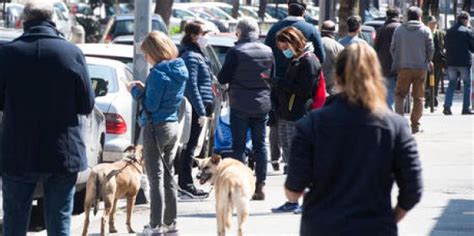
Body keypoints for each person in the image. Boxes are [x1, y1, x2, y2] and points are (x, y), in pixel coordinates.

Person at [285, 43, 423, 235]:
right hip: (374, 226)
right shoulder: (396, 126)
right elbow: (413, 189)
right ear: (376, 76)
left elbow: (293, 190)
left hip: (322, 226)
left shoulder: (312, 124)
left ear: (337, 77)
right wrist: (390, 219)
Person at [0, 0, 95, 235]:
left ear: (24, 21)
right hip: (63, 151)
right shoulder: (72, 53)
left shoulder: (7, 53)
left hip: (17, 151)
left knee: (14, 220)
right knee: (60, 219)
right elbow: (86, 105)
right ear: (53, 21)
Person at [127, 31, 188, 234]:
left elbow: (151, 105)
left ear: (154, 51)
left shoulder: (157, 73)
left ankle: (154, 225)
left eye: (146, 54)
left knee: (155, 178)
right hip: (172, 126)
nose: (146, 58)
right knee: (169, 176)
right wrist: (147, 88)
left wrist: (136, 91)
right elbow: (164, 96)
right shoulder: (179, 69)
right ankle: (170, 222)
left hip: (155, 127)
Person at [217, 18, 274, 201]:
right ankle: (260, 186)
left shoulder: (235, 51)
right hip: (262, 104)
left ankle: (241, 185)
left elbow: (223, 77)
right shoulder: (268, 50)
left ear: (239, 33)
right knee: (260, 146)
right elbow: (273, 75)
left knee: (239, 147)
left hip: (240, 103)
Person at [270, 26, 321, 213]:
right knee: (289, 159)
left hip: (298, 115)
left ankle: (307, 200)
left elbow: (304, 90)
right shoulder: (296, 60)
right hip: (286, 114)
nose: (284, 51)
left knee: (299, 160)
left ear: (293, 42)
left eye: (285, 47)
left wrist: (279, 83)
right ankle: (292, 200)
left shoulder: (308, 61)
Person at [178, 20, 214, 199]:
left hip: (200, 107)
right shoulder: (191, 56)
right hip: (195, 108)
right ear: (193, 36)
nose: (206, 37)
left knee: (192, 146)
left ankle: (186, 183)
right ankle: (185, 184)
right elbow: (191, 86)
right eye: (204, 33)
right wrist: (200, 111)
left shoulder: (197, 53)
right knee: (190, 147)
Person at [390, 6, 434, 134]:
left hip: (403, 67)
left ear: (408, 17)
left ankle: (400, 125)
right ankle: (415, 125)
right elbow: (431, 48)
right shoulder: (425, 30)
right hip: (420, 68)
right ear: (420, 17)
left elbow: (392, 48)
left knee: (399, 95)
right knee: (419, 97)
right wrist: (427, 61)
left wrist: (398, 60)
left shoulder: (399, 30)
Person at [443, 12, 474, 115]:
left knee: (452, 84)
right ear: (465, 20)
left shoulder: (449, 31)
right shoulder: (467, 31)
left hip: (451, 62)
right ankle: (465, 108)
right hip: (464, 62)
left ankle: (447, 107)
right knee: (467, 84)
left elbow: (445, 45)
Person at [375, 7, 402, 109]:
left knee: (388, 92)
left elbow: (376, 48)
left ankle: (390, 114)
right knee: (400, 93)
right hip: (400, 65)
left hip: (384, 66)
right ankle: (393, 116)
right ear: (397, 16)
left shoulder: (381, 29)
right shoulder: (401, 28)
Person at [424, 15, 446, 109]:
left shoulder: (441, 34)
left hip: (438, 61)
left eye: (434, 23)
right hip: (426, 60)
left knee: (436, 80)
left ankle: (434, 97)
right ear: (427, 24)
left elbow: (444, 45)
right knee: (426, 81)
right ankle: (428, 97)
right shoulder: (425, 33)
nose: (433, 25)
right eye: (431, 23)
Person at [320, 20, 344, 95]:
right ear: (333, 33)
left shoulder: (313, 44)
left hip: (314, 90)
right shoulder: (339, 48)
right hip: (331, 90)